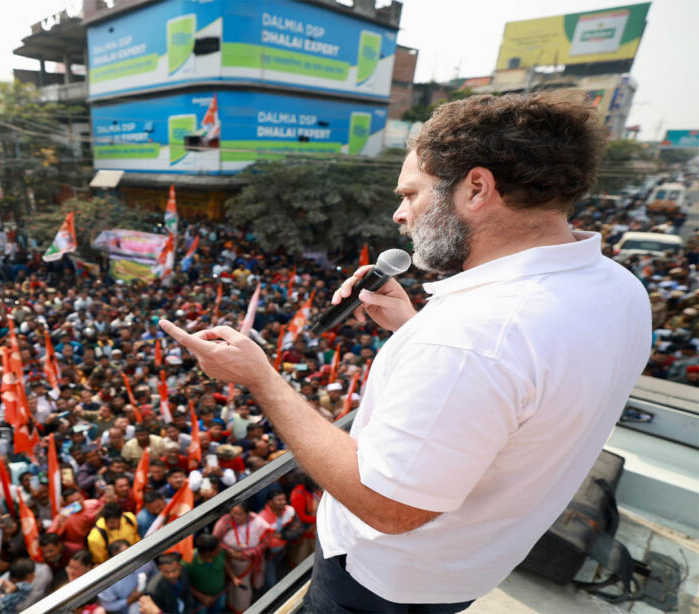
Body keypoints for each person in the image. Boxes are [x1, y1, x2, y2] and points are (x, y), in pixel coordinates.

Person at [159, 90, 651, 612]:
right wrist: (413, 327)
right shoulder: (619, 288)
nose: (400, 215)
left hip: (380, 587)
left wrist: (262, 378)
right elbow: (506, 392)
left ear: (477, 188)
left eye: (411, 194)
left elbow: (389, 508)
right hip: (466, 569)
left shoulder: (471, 337)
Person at [212, 503, 270, 612]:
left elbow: (266, 542)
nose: (235, 516)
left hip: (254, 559)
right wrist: (230, 551)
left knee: (253, 583)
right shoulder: (224, 522)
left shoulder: (256, 521)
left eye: (239, 514)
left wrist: (247, 554)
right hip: (233, 562)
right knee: (239, 590)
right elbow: (215, 542)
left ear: (247, 514)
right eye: (233, 513)